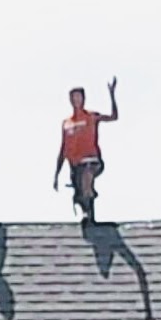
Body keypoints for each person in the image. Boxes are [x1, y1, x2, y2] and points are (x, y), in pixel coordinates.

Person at [53, 77, 118, 222]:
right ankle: (87, 211)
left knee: (86, 175)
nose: (76, 100)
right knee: (80, 190)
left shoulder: (91, 116)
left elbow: (114, 117)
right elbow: (63, 149)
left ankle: (89, 201)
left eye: (79, 97)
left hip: (92, 161)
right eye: (73, 97)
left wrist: (112, 95)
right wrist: (56, 174)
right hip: (75, 164)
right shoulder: (67, 123)